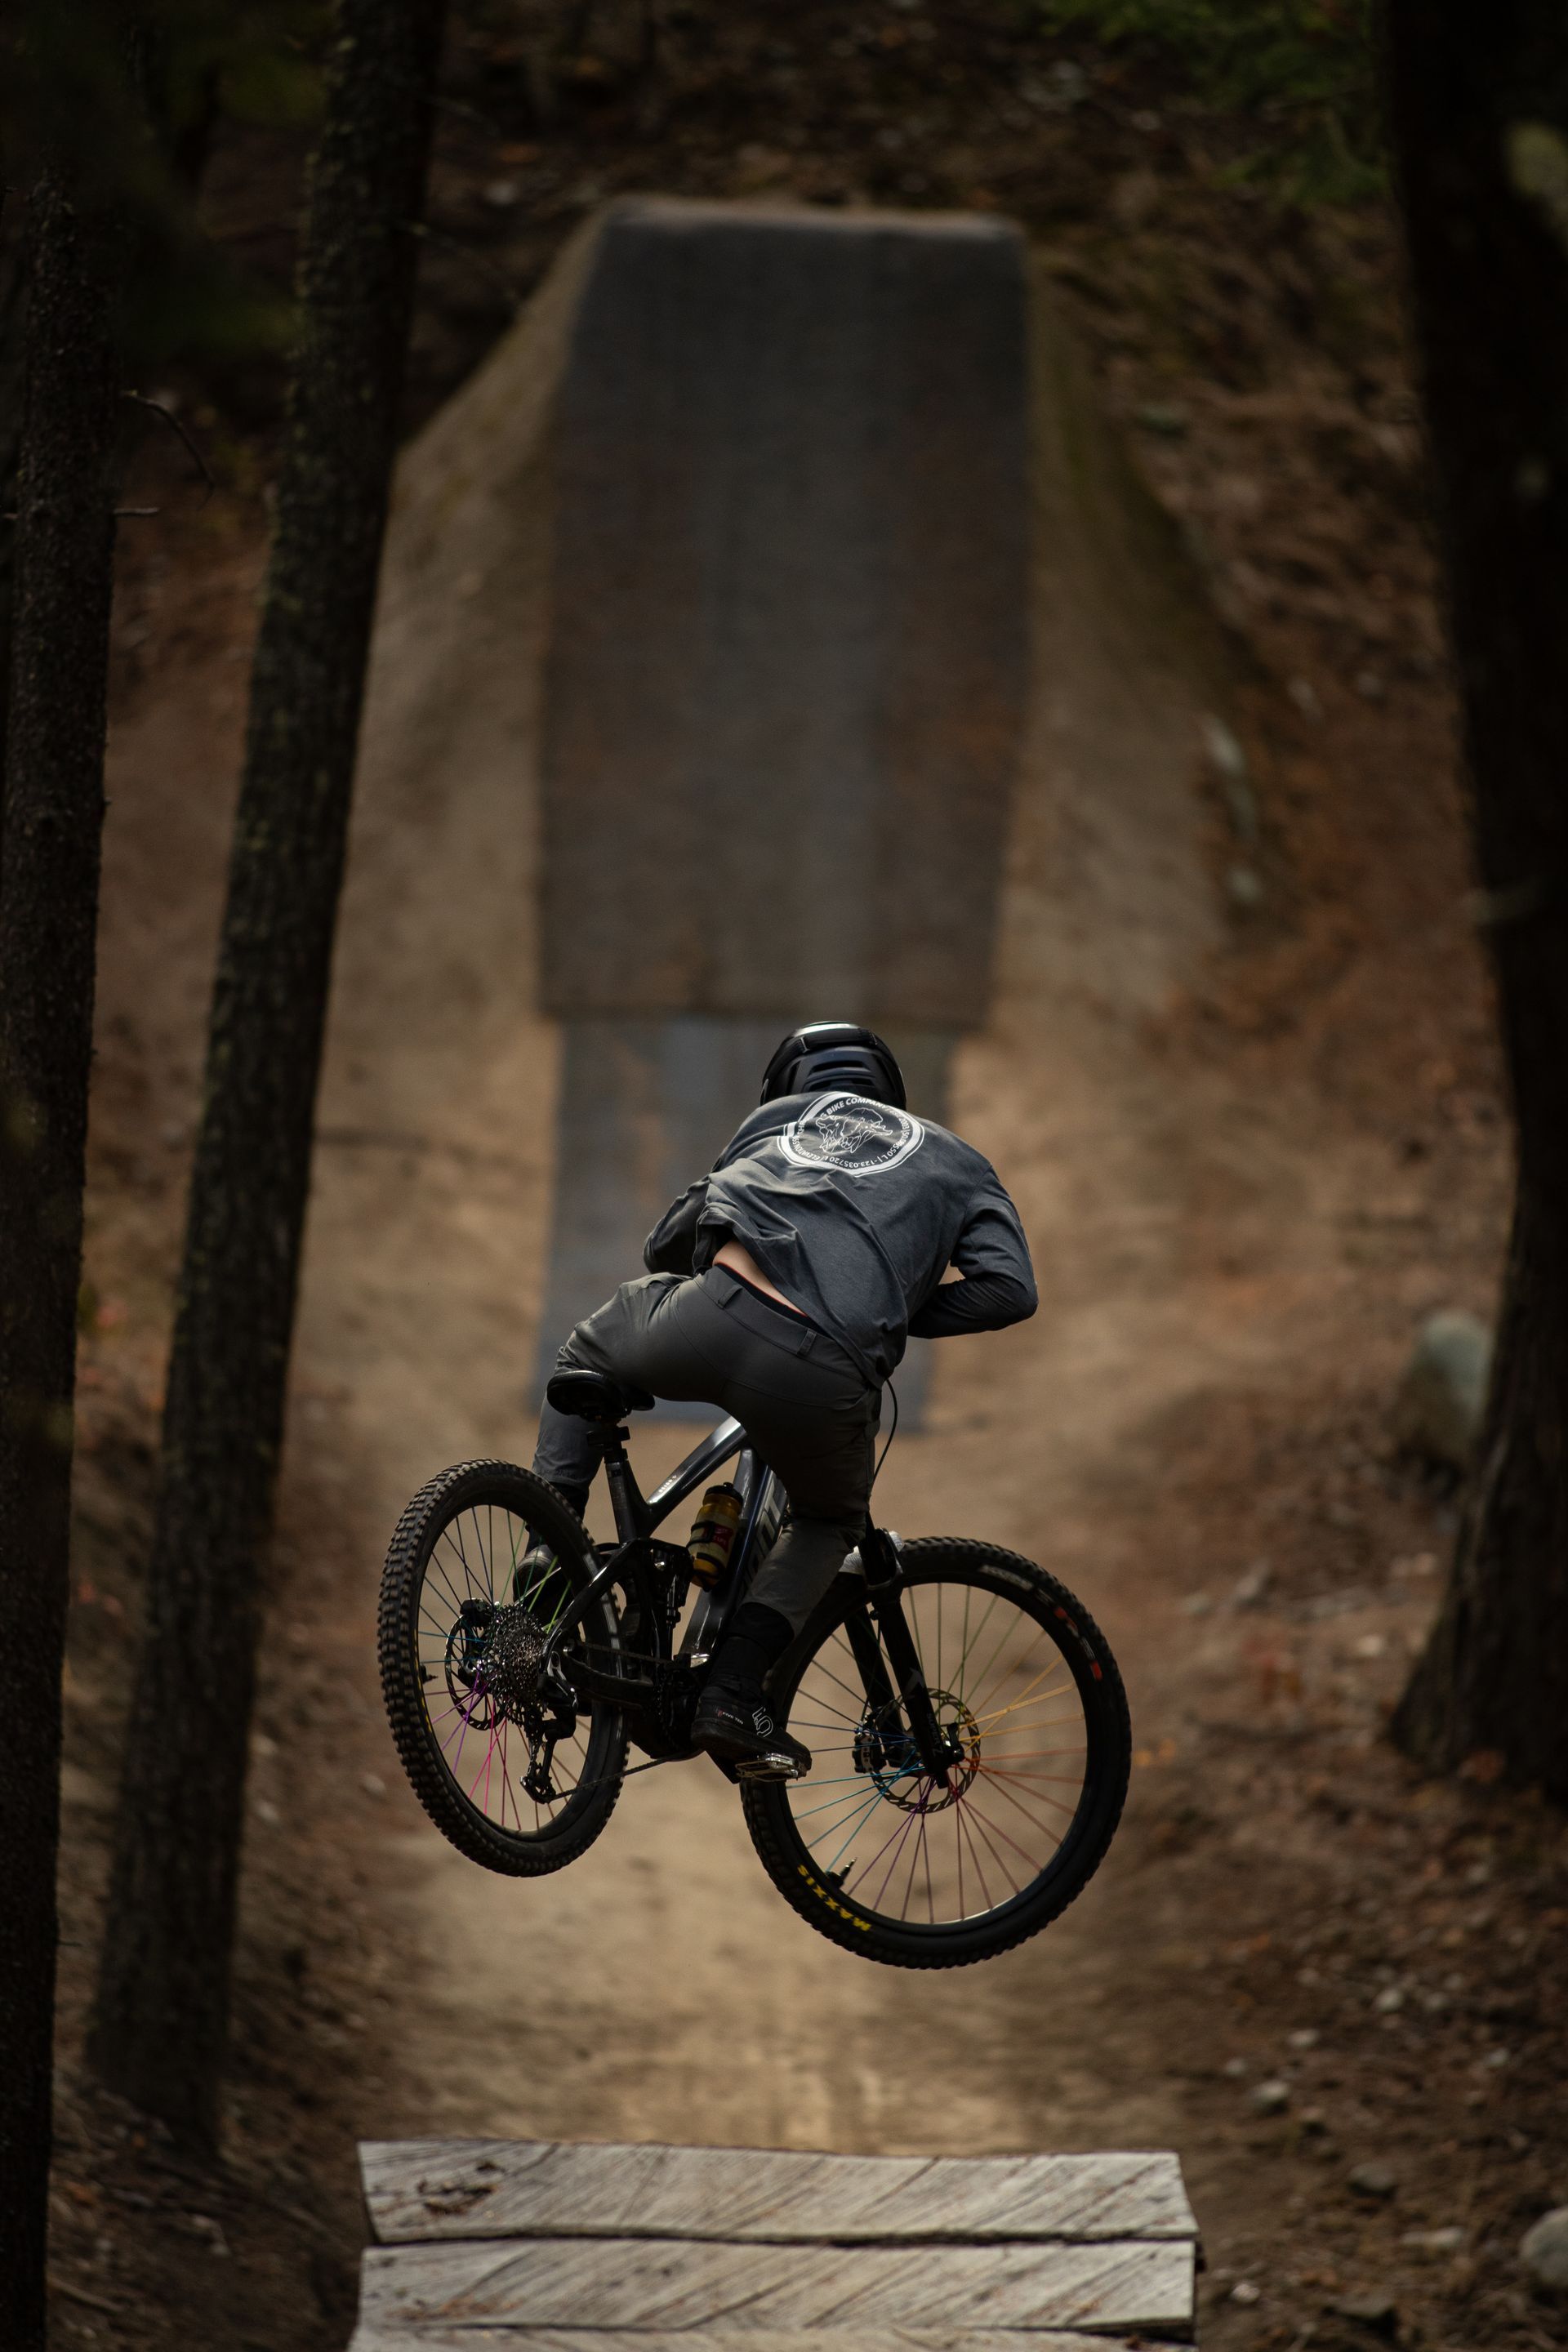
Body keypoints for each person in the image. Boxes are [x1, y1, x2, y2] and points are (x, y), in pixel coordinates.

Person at [532, 1022, 1037, 1776]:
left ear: (786, 1088)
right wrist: (886, 1309)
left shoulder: (771, 1126)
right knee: (830, 1518)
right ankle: (734, 1696)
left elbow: (665, 1244)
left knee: (588, 1352)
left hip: (712, 1318)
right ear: (892, 1095)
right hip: (825, 1370)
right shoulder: (955, 1157)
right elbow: (1010, 1290)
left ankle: (547, 1546)